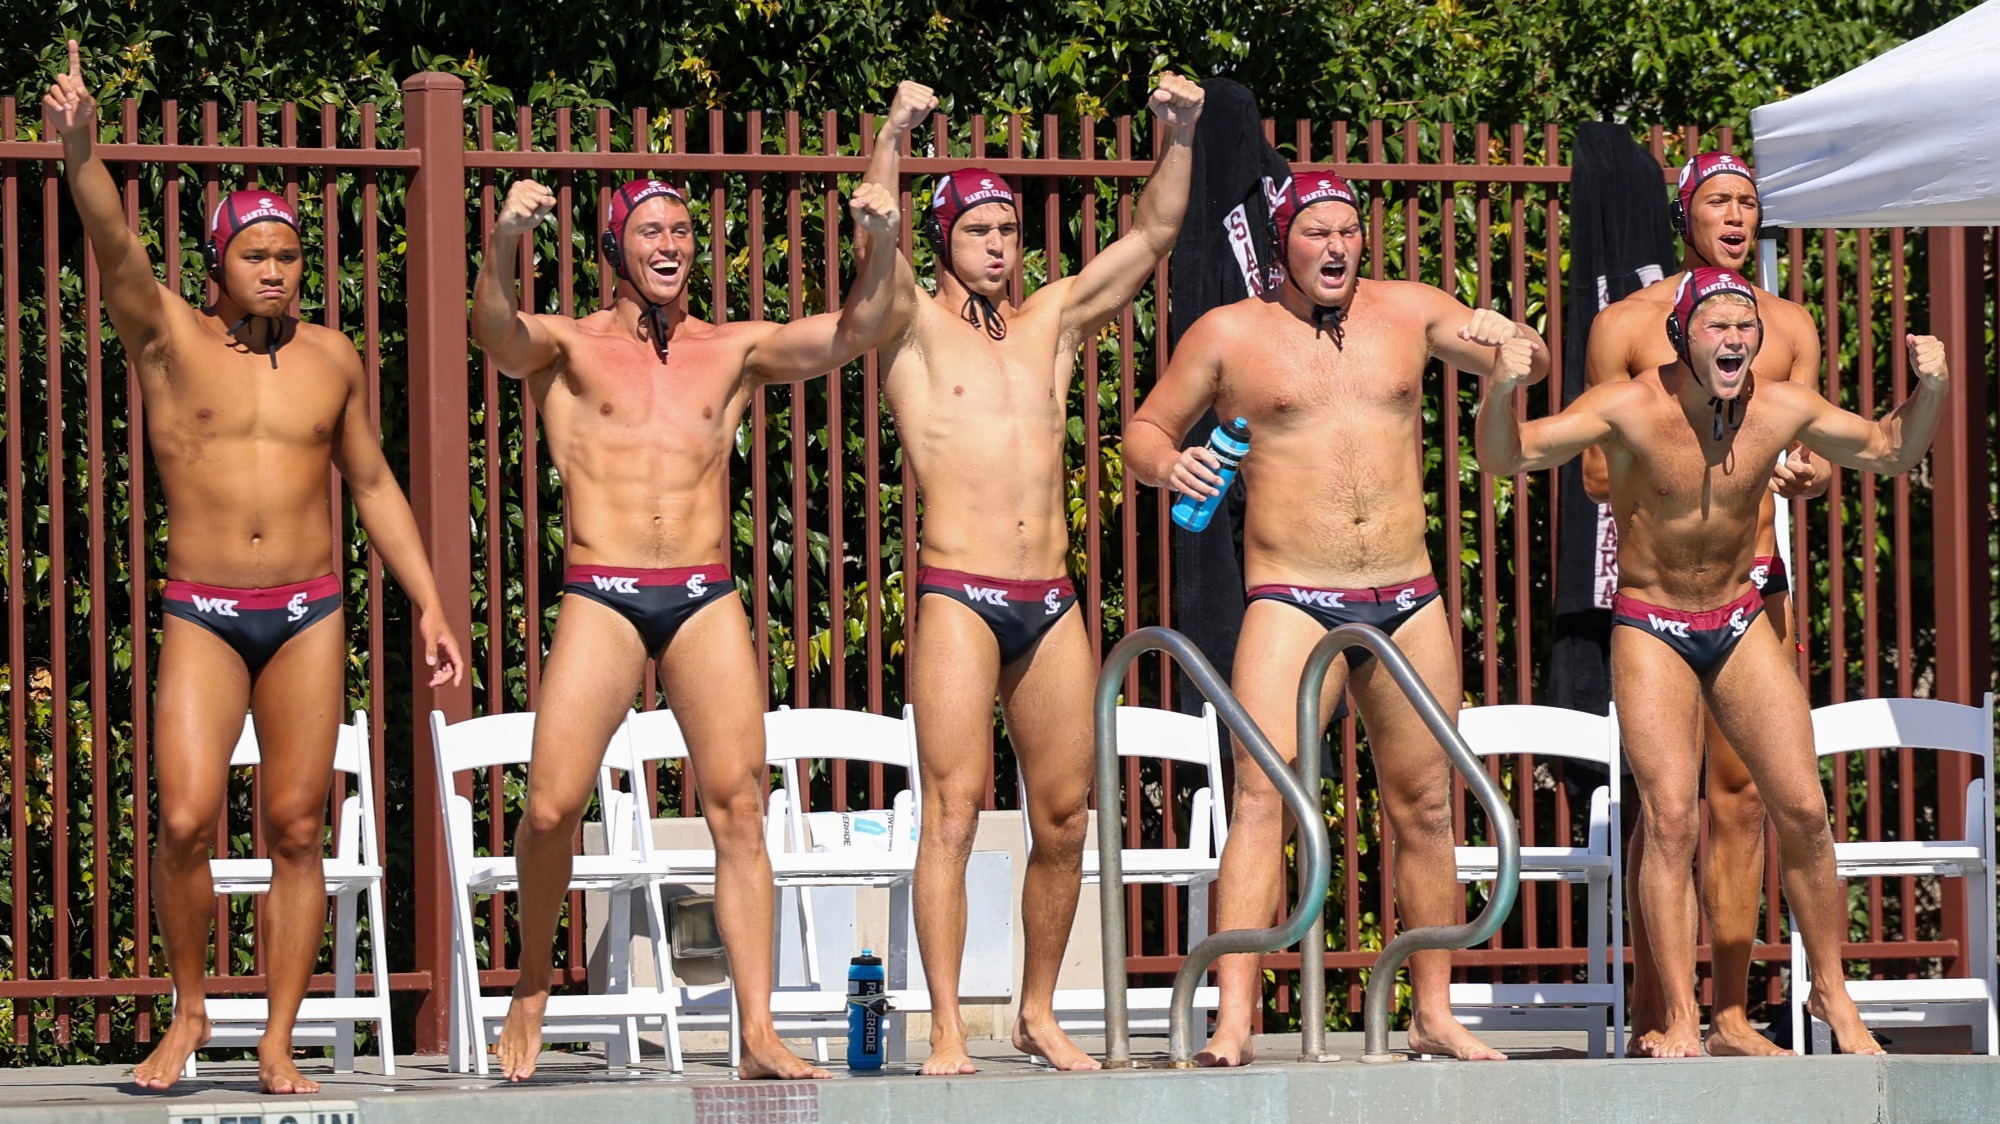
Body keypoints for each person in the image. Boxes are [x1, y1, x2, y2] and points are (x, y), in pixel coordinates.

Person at [468, 81, 916, 1078]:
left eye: (682, 229)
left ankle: (755, 1031)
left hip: (704, 590)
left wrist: (881, 229)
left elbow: (856, 329)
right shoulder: (570, 344)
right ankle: (535, 978)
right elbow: (492, 332)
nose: (671, 242)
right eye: (651, 228)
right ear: (617, 245)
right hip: (604, 586)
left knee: (738, 804)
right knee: (549, 806)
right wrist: (503, 238)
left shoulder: (732, 349)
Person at [45, 40, 466, 1094]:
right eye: (256, 255)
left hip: (311, 610)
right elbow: (111, 238)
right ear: (219, 263)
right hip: (203, 607)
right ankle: (189, 1007)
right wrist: (80, 152)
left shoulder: (332, 358)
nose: (275, 270)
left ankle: (278, 1036)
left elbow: (372, 485)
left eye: (288, 255)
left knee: (293, 826)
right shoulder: (167, 337)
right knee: (183, 817)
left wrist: (427, 602)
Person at [1127, 172, 1547, 1065]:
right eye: (1316, 231)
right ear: (1283, 241)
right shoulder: (1231, 333)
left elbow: (1525, 356)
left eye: (1349, 232)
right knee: (1261, 798)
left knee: (1428, 805)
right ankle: (1232, 1020)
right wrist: (1172, 469)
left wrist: (1517, 345)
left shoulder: (1413, 311)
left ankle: (1433, 1010)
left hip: (1409, 593)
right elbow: (1144, 432)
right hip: (1291, 596)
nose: (1335, 248)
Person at [1478, 266, 1948, 1058]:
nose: (1733, 341)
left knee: (1802, 809)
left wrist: (1930, 388)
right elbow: (1508, 457)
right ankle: (1680, 1019)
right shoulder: (1629, 404)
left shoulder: (1778, 406)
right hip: (1652, 621)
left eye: (1743, 329)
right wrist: (1498, 390)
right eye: (1715, 328)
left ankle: (1832, 993)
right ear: (1679, 338)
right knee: (1670, 819)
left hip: (1737, 615)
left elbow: (1887, 449)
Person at [858, 72, 1205, 1074]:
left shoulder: (1050, 319)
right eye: (978, 229)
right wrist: (891, 136)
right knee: (955, 811)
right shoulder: (910, 322)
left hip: (1047, 598)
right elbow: (872, 241)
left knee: (1063, 814)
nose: (1000, 244)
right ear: (943, 240)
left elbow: (1149, 238)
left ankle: (1037, 1009)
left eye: (1008, 228)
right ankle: (946, 1026)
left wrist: (1176, 135)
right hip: (958, 592)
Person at [1581, 151, 1831, 1056]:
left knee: (1748, 799)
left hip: (1756, 582)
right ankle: (1663, 1008)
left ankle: (1729, 1010)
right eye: (1718, 201)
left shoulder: (1788, 325)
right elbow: (1597, 471)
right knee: (1666, 804)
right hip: (1660, 590)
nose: (1736, 216)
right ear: (1685, 215)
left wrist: (1802, 472)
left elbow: (1816, 446)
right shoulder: (1625, 325)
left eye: (1750, 202)